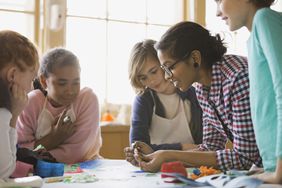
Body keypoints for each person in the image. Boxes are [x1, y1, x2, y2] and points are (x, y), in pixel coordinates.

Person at [134, 21, 262, 173]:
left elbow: (245, 158)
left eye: (170, 67)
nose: (167, 77)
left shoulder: (236, 78)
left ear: (195, 58)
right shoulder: (201, 88)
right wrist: (159, 157)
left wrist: (168, 156)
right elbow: (210, 147)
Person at [216, 0, 282, 184]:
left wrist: (279, 171)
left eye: (220, 1)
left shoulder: (264, 19)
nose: (217, 12)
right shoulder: (254, 37)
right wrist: (271, 167)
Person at [16, 47, 102, 165]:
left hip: (86, 169)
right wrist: (54, 137)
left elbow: (78, 152)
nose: (70, 91)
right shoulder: (31, 103)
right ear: (43, 81)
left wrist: (37, 151)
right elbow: (20, 151)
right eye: (62, 83)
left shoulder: (87, 100)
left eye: (76, 83)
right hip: (40, 173)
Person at [124, 39, 203, 166]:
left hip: (192, 165)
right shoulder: (143, 100)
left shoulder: (194, 94)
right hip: (155, 167)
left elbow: (204, 148)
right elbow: (138, 147)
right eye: (143, 77)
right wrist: (183, 147)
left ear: (164, 63)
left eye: (153, 71)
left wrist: (153, 150)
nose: (151, 81)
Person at [0, 30, 39, 178]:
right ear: (12, 75)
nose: (31, 88)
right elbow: (4, 171)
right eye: (31, 79)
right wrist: (13, 115)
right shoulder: (2, 110)